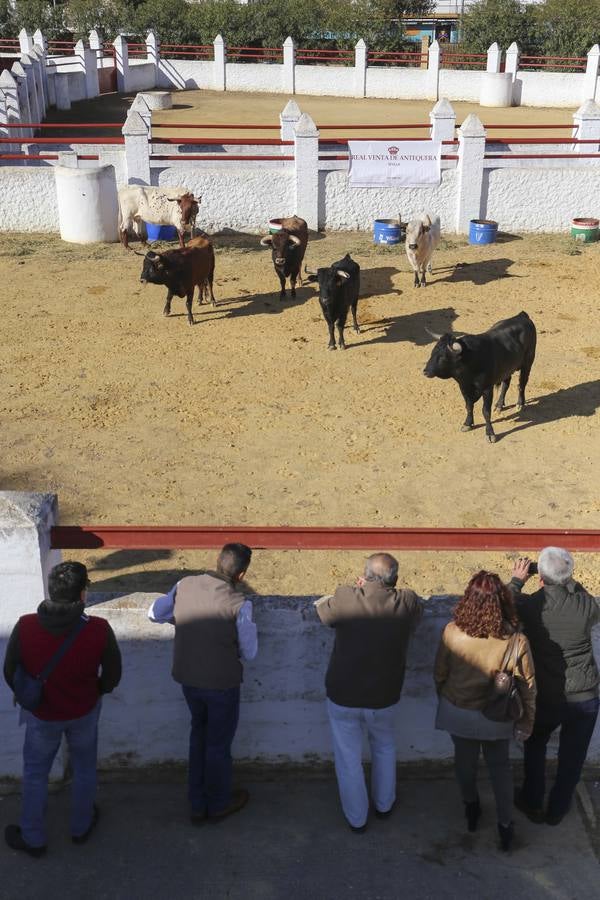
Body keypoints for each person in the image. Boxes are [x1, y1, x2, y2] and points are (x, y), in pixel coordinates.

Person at [3, 561, 122, 857]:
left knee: (35, 774)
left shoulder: (26, 625)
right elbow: (112, 675)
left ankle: (33, 837)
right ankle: (81, 826)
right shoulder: (98, 629)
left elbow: (9, 670)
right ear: (82, 595)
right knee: (84, 769)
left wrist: (26, 693)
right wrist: (96, 691)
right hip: (83, 711)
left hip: (42, 714)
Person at [148, 543, 257, 824]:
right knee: (218, 744)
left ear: (217, 560)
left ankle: (197, 802)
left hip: (188, 678)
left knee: (199, 735)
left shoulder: (184, 584)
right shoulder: (240, 604)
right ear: (241, 575)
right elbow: (250, 651)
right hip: (222, 683)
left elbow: (154, 613)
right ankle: (218, 802)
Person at [314, 553, 423, 833]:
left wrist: (359, 590)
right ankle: (384, 806)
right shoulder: (406, 601)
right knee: (384, 747)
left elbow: (322, 612)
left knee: (348, 757)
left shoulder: (347, 596)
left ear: (363, 575)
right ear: (395, 580)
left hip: (343, 693)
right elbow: (416, 614)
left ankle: (357, 819)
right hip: (385, 695)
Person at [434, 571, 536, 852]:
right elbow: (528, 688)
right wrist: (527, 721)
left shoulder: (452, 632)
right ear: (504, 601)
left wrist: (449, 701)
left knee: (464, 764)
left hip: (458, 710)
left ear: (468, 599)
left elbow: (440, 674)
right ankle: (505, 826)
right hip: (497, 715)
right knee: (500, 770)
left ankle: (471, 808)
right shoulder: (516, 641)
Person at [509, 548, 600, 826]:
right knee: (573, 756)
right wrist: (567, 579)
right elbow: (586, 598)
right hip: (584, 695)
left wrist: (516, 580)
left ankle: (532, 800)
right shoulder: (585, 605)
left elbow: (504, 602)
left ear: (540, 578)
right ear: (569, 575)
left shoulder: (529, 605)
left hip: (545, 694)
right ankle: (557, 809)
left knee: (535, 746)